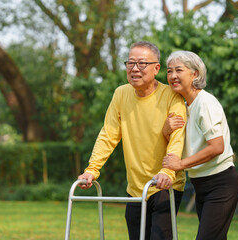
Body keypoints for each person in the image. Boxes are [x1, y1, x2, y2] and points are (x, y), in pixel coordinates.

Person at [77, 41, 187, 239]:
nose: (135, 69)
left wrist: (168, 172)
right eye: (130, 63)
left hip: (165, 184)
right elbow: (108, 134)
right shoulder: (121, 93)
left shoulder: (171, 95)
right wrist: (92, 170)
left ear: (156, 68)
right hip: (135, 187)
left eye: (142, 64)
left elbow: (178, 138)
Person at [162, 50, 238, 240]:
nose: (172, 76)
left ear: (194, 73)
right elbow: (177, 143)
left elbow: (216, 147)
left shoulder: (205, 103)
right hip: (200, 184)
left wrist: (180, 164)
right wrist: (165, 129)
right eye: (169, 71)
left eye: (179, 70)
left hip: (220, 183)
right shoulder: (183, 105)